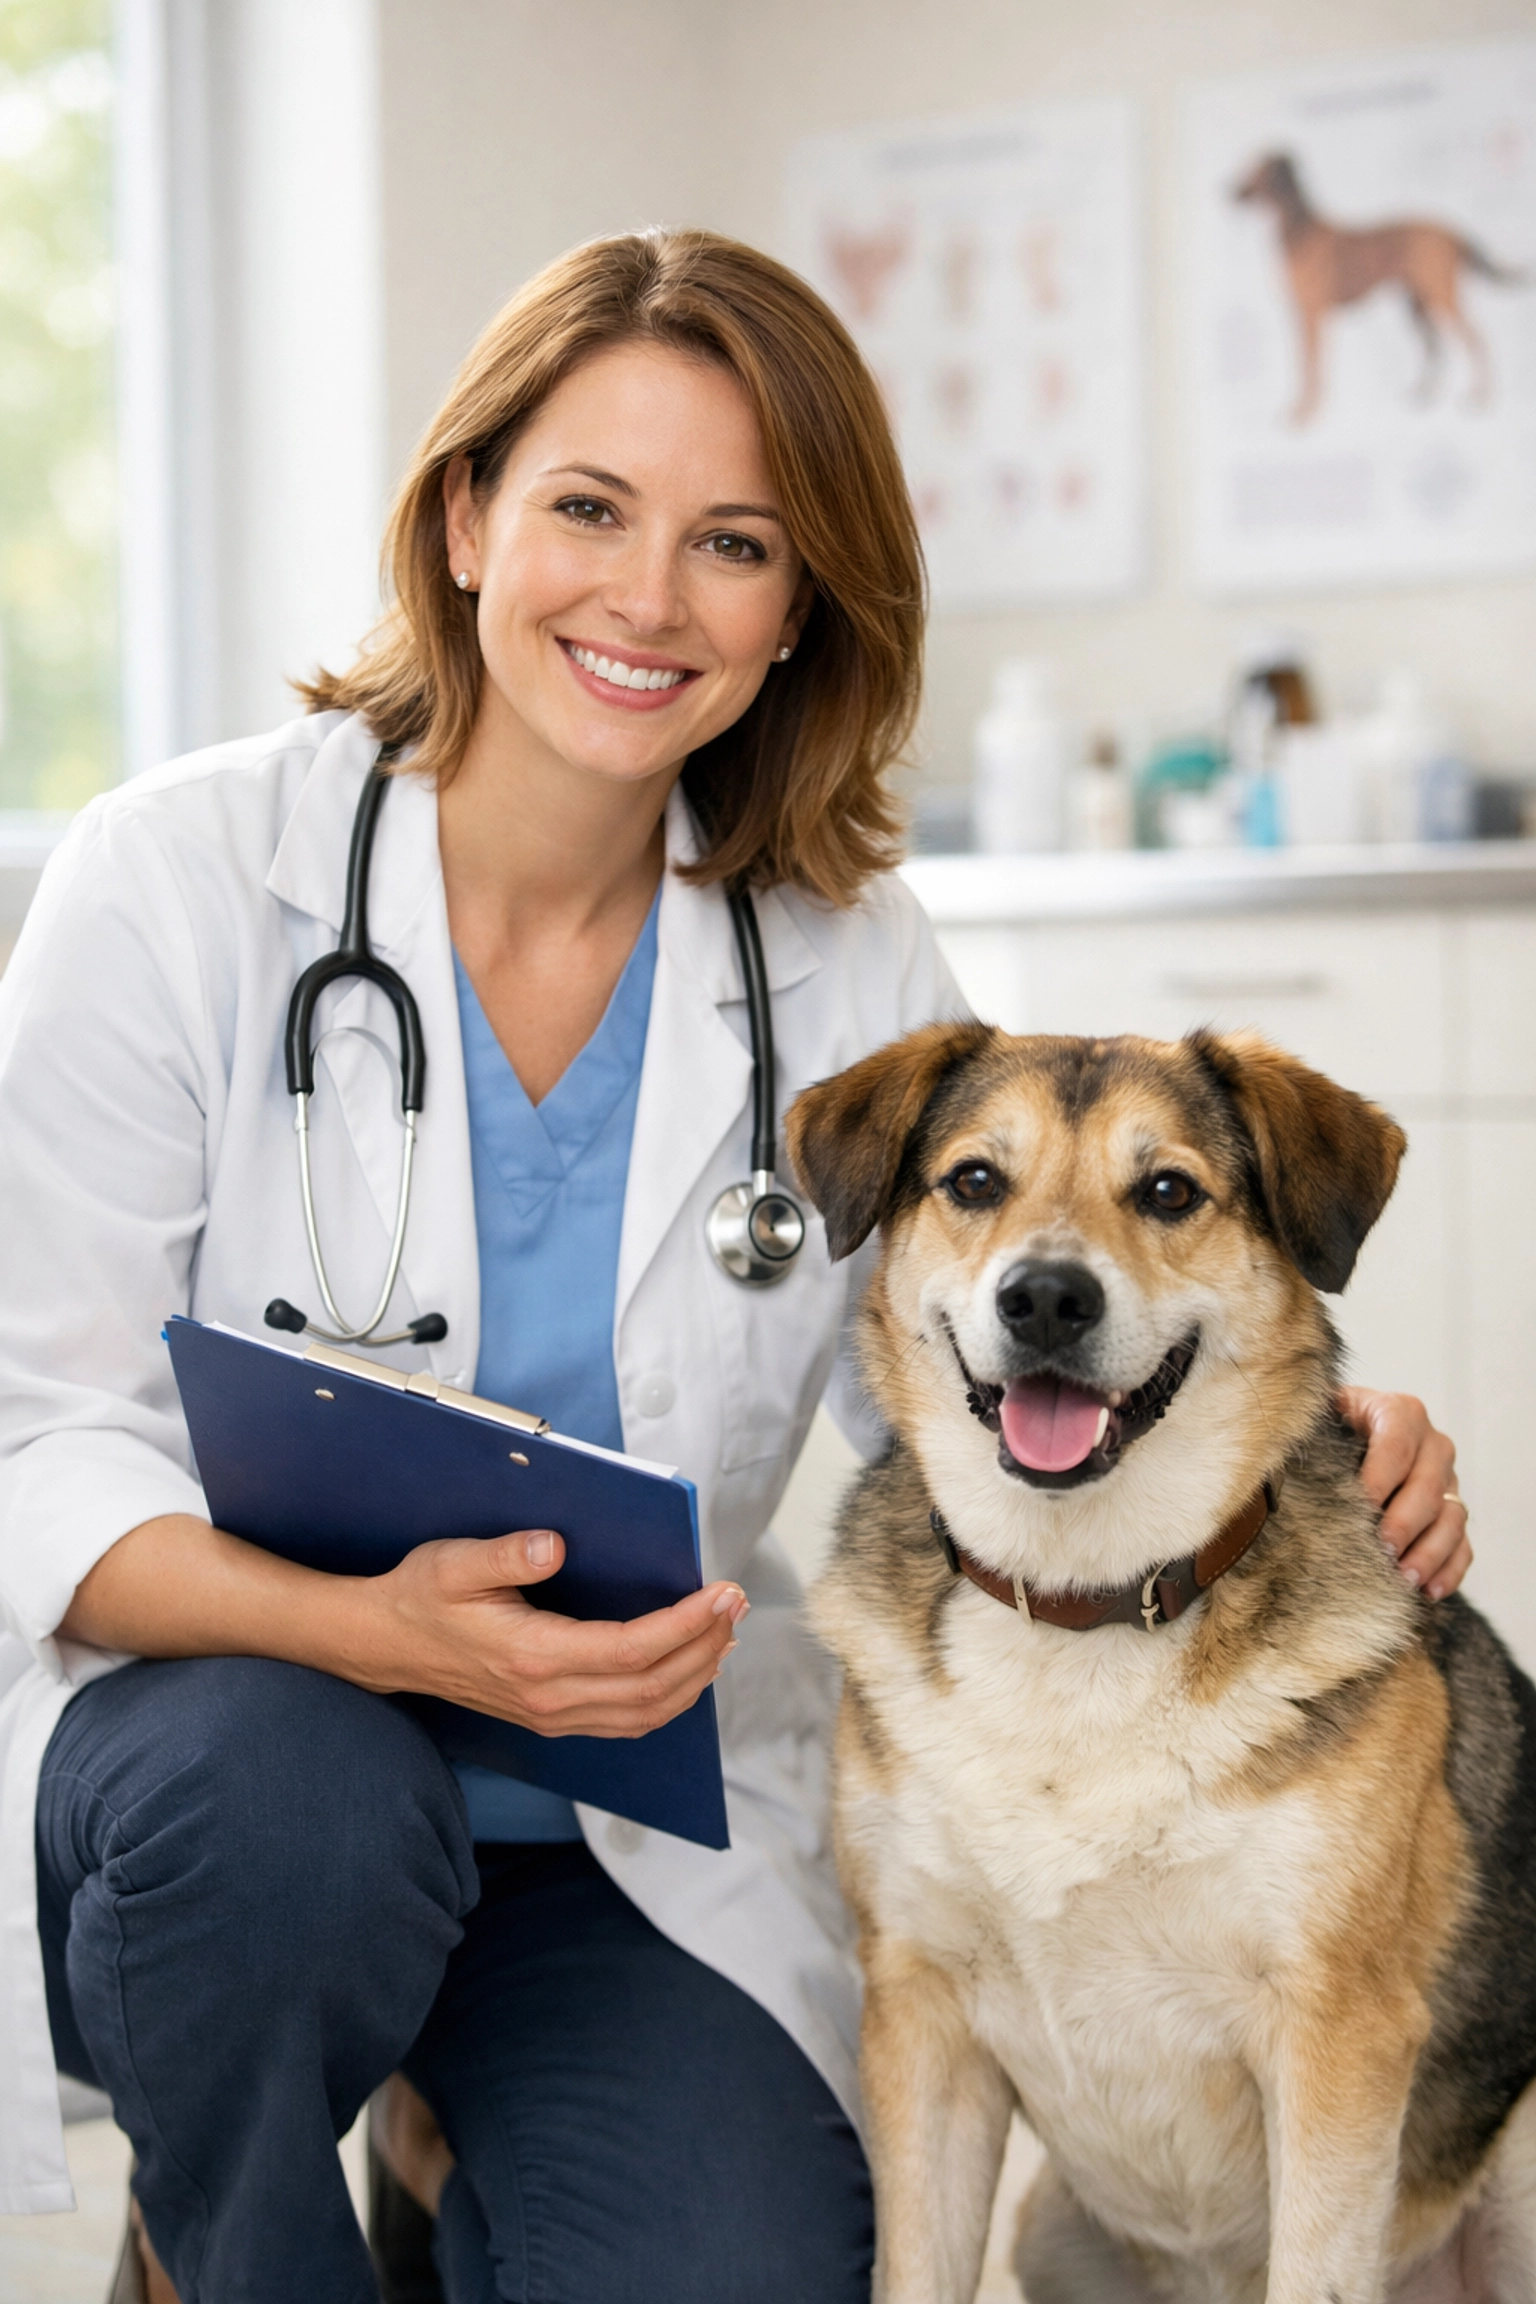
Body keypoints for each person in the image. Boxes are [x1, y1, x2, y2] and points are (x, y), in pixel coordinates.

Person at [0, 230, 1469, 2304]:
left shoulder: (840, 955)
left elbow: (967, 1374)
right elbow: (37, 1448)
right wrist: (398, 1637)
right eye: (589, 507)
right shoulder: (175, 880)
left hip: (612, 1841)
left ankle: (449, 2128)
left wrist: (1300, 1438)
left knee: (726, 2268)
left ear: (800, 614)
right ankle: (222, 2222)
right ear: (465, 516)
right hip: (238, 1792)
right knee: (293, 1817)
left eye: (736, 544)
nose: (647, 597)